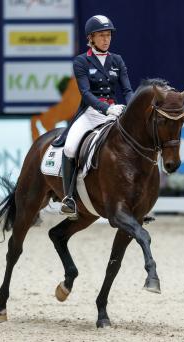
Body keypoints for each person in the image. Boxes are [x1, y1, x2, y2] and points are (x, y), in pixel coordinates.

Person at [56, 15, 134, 219]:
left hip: (116, 112)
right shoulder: (82, 61)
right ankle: (69, 198)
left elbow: (127, 89)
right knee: (70, 147)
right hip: (91, 114)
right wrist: (105, 109)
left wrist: (131, 107)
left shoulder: (117, 60)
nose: (106, 39)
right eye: (101, 35)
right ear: (91, 38)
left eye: (108, 35)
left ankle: (136, 198)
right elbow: (86, 93)